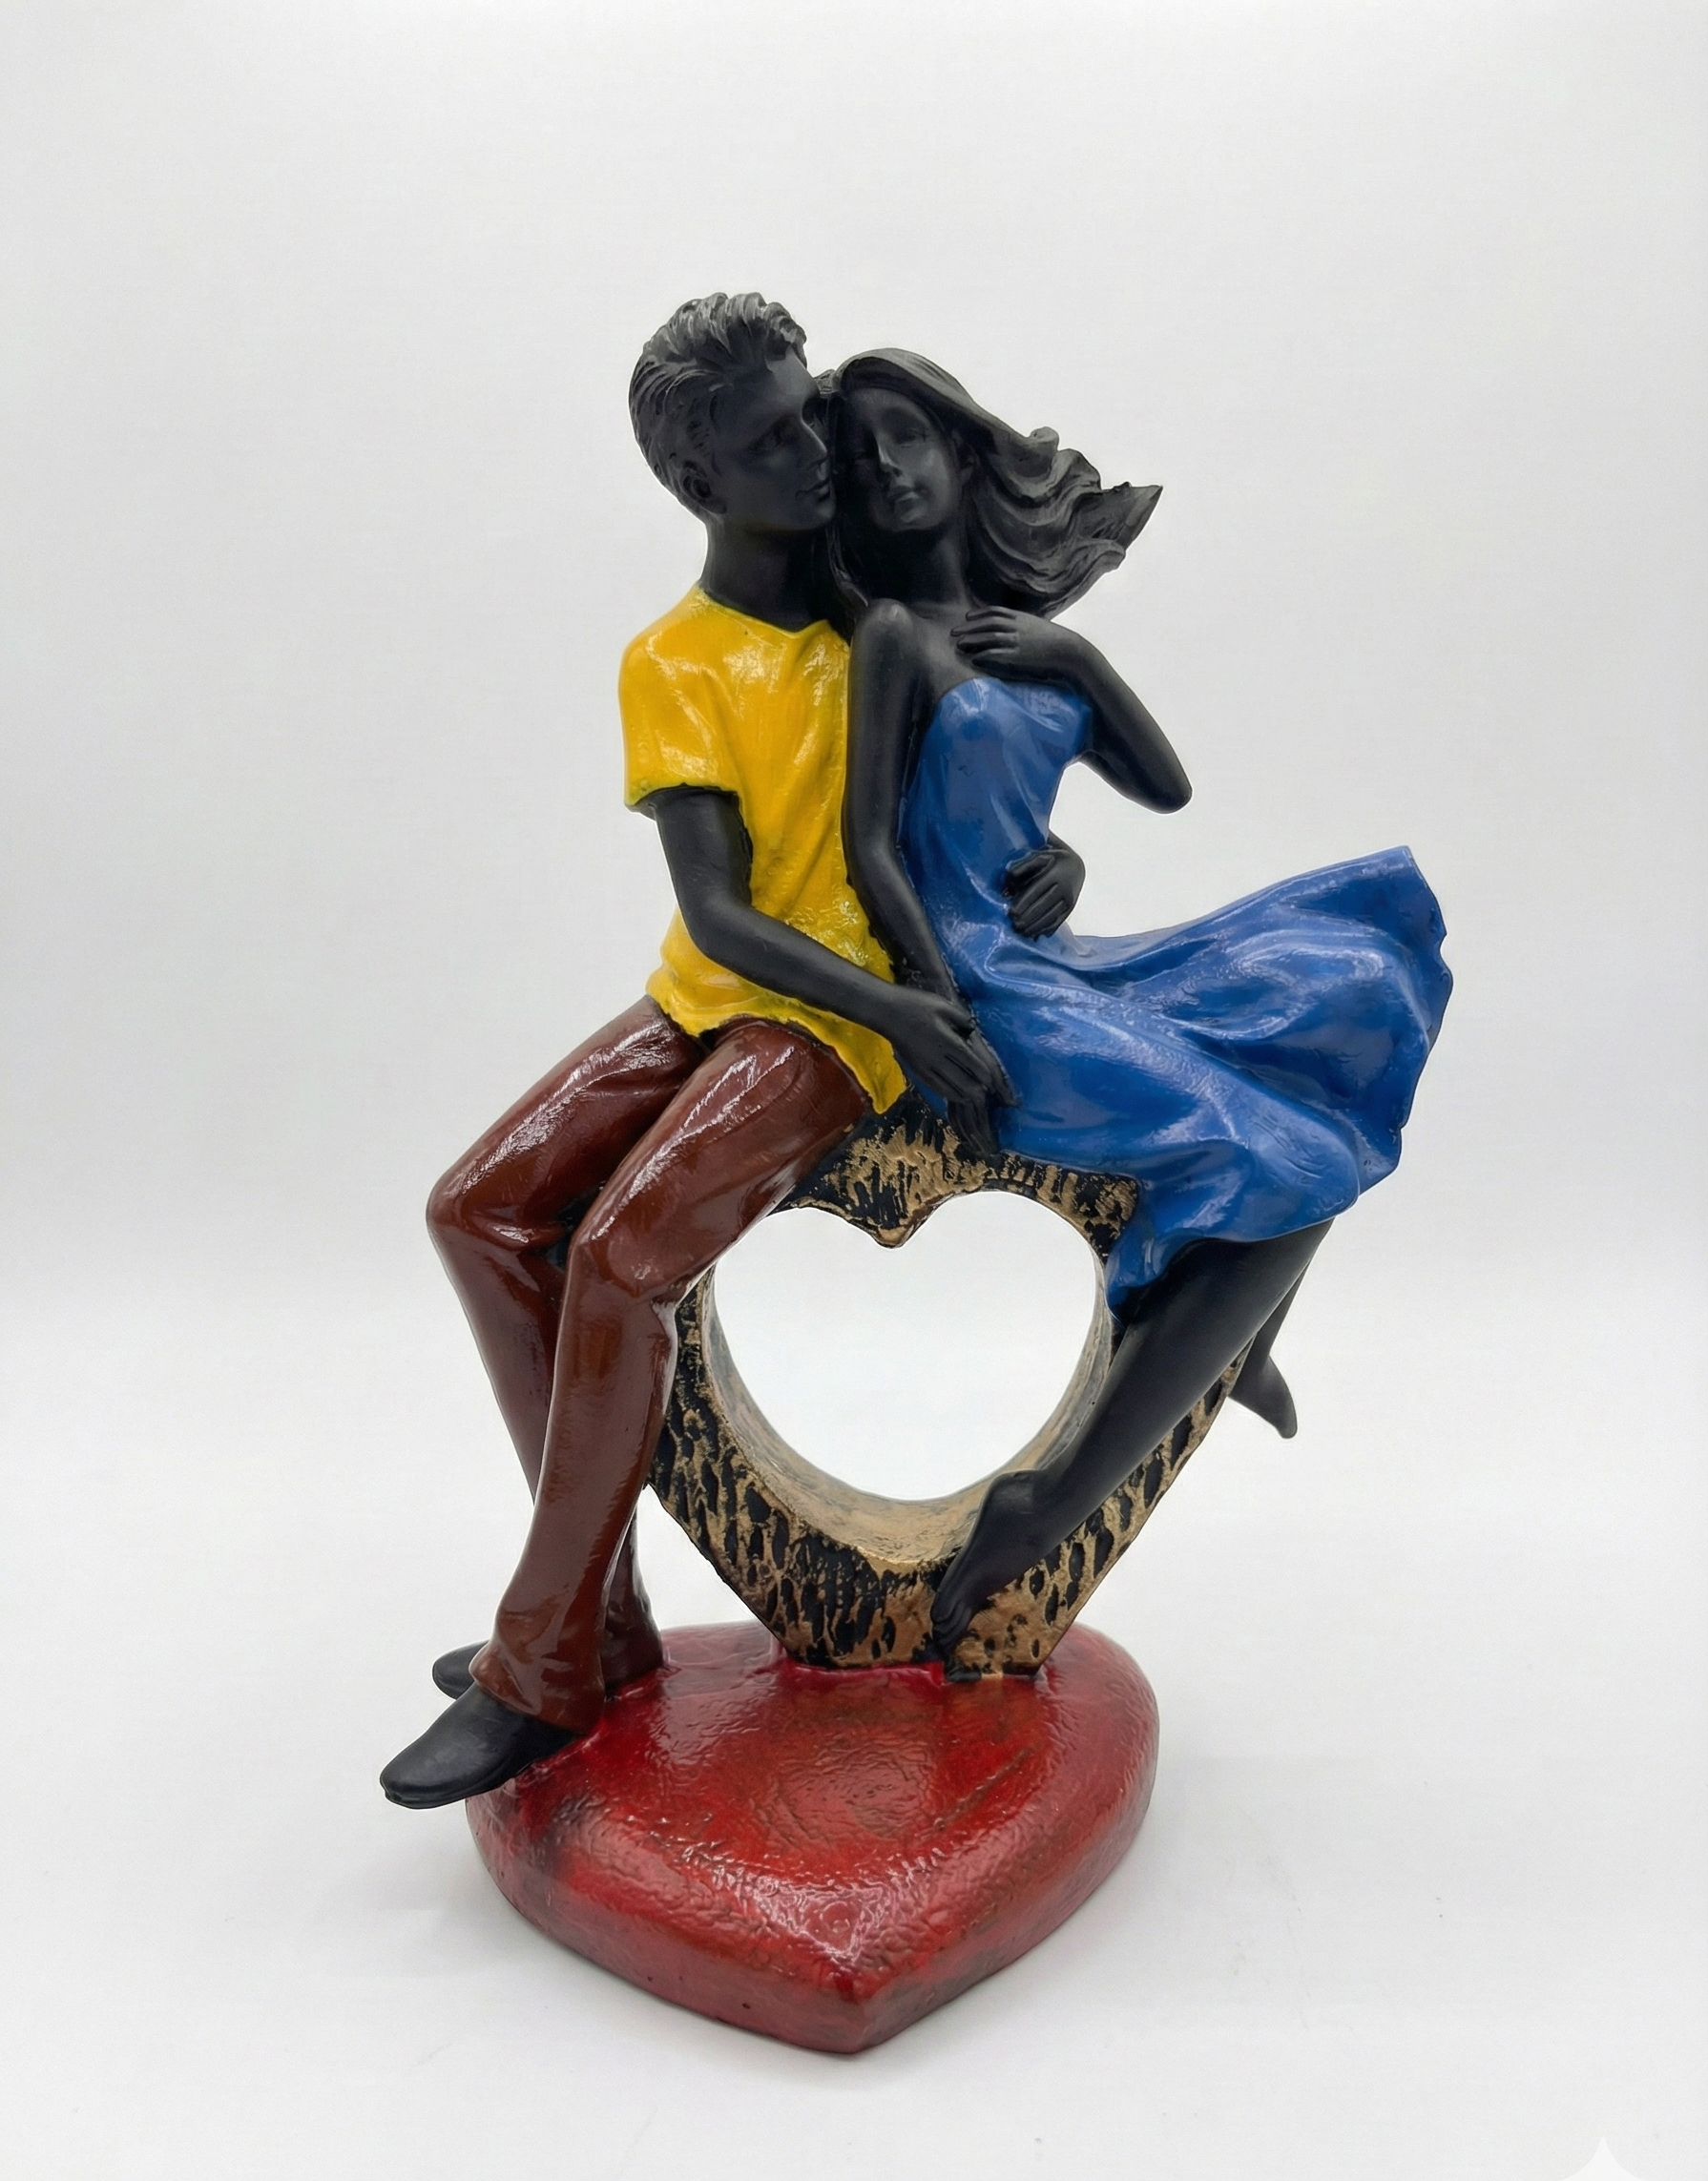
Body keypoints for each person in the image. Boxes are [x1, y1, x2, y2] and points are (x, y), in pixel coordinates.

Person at [378, 298, 1027, 1807]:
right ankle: (596, 1625)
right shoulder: (675, 659)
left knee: (619, 1260)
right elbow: (721, 919)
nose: (815, 452)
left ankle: (537, 1666)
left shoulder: (879, 619)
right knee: (476, 1210)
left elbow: (993, 777)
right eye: (770, 438)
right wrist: (899, 1011)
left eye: (809, 413)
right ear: (696, 481)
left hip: (835, 1022)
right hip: (724, 991)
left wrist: (1028, 886)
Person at [829, 350, 1452, 1662]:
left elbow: (1162, 785)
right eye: (860, 454)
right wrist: (932, 1005)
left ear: (963, 453)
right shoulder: (889, 637)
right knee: (1291, 1162)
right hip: (976, 982)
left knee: (1334, 989)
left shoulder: (1026, 642)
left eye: (907, 436)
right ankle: (1056, 1499)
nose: (886, 467)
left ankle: (1229, 1340)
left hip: (1047, 957)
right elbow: (873, 846)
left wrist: (1075, 666)